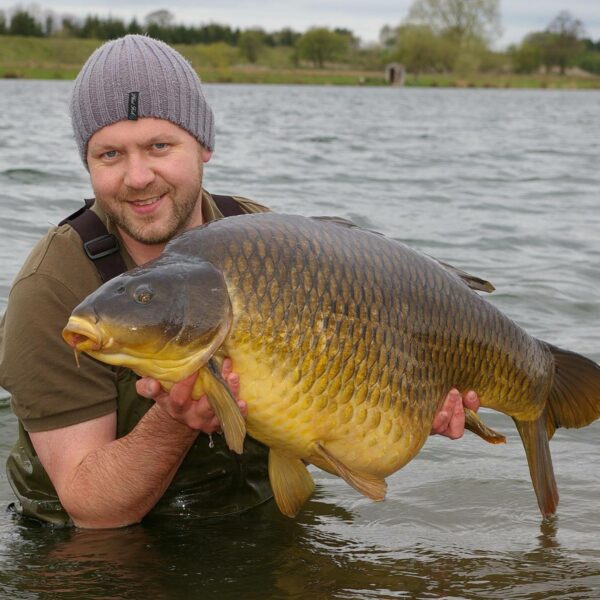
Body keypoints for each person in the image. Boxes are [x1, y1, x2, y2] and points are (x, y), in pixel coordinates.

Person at [0, 35, 480, 529]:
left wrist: (406, 403)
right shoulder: (53, 287)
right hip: (94, 551)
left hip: (252, 515)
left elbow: (319, 405)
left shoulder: (265, 242)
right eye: (109, 155)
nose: (137, 176)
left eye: (159, 146)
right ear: (87, 162)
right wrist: (173, 423)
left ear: (204, 145)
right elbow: (92, 509)